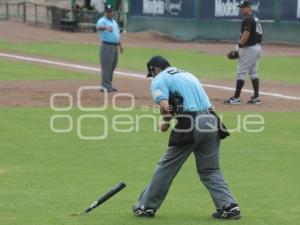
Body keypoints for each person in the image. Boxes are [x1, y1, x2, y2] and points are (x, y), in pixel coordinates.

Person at [132, 56, 241, 220]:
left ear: (155, 69)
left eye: (152, 73)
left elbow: (165, 106)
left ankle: (146, 206)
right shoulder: (188, 75)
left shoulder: (160, 79)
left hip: (191, 123)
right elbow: (207, 104)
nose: (152, 77)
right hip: (212, 121)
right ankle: (229, 206)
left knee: (165, 168)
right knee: (210, 170)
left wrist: (165, 123)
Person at [224, 1, 263, 104]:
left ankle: (236, 98)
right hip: (257, 47)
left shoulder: (247, 19)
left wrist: (239, 46)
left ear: (249, 7)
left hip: (249, 48)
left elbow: (246, 34)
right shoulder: (254, 18)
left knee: (241, 72)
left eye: (243, 7)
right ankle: (256, 97)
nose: (241, 9)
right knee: (253, 72)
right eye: (240, 7)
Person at [96, 4, 123, 92]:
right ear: (105, 12)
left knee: (112, 66)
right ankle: (104, 86)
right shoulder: (102, 20)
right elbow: (98, 27)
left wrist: (120, 44)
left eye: (111, 11)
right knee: (106, 67)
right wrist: (106, 28)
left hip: (114, 47)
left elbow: (117, 34)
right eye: (108, 12)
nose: (110, 13)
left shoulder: (114, 22)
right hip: (106, 46)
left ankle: (109, 85)